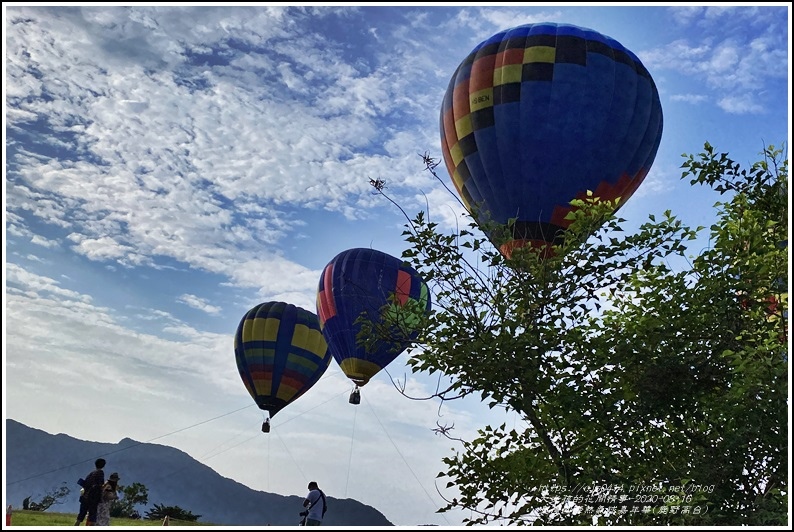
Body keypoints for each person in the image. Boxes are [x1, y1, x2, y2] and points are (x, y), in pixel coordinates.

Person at [75, 458, 106, 526]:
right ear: (103, 465)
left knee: (81, 514)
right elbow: (100, 485)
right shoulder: (100, 473)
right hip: (93, 498)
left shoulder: (91, 473)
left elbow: (85, 483)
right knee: (92, 515)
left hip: (85, 496)